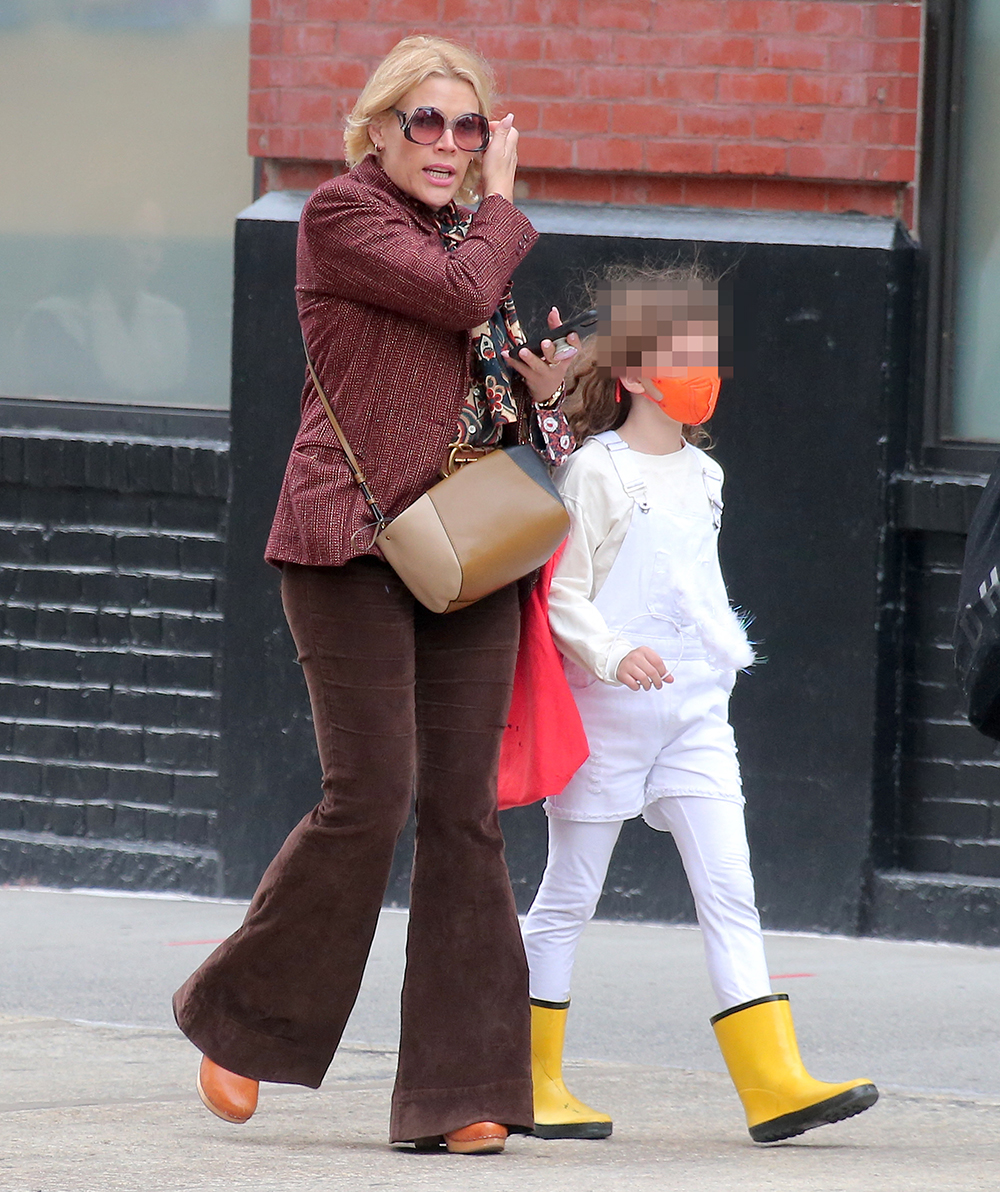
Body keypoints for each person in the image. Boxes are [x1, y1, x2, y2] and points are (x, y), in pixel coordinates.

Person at [172, 35, 578, 1155]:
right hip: (350, 542)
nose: (450, 146)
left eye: (470, 126)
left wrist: (549, 400)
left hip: (466, 549)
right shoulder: (342, 220)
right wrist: (504, 206)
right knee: (374, 793)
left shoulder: (475, 246)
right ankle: (238, 1019)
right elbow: (455, 294)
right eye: (427, 123)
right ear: (380, 131)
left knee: (463, 811)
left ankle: (461, 1091)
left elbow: (488, 375)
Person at [520, 270, 880, 1144]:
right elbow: (563, 593)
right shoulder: (594, 471)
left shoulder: (706, 475)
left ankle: (772, 1084)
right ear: (637, 374)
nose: (703, 370)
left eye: (708, 355)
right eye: (684, 356)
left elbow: (701, 587)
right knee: (570, 893)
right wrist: (610, 652)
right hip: (607, 712)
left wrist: (712, 667)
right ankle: (529, 1078)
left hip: (693, 716)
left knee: (732, 890)